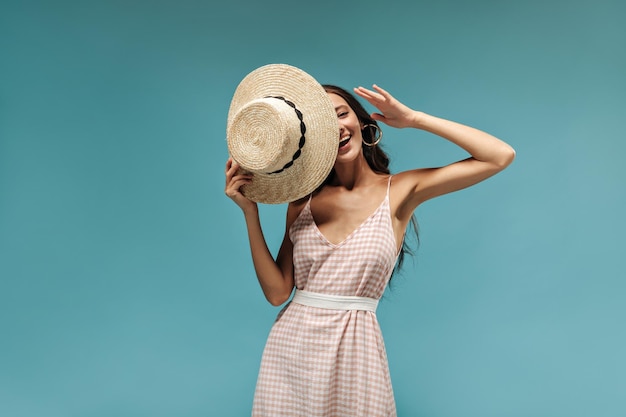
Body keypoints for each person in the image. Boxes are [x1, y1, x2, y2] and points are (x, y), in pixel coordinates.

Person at [225, 79, 515, 416]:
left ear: (363, 122)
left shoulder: (401, 190)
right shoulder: (301, 202)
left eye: (341, 114)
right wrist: (250, 213)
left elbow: (499, 156)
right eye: (323, 124)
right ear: (312, 142)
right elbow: (277, 293)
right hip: (291, 351)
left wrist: (415, 119)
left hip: (356, 349)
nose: (336, 128)